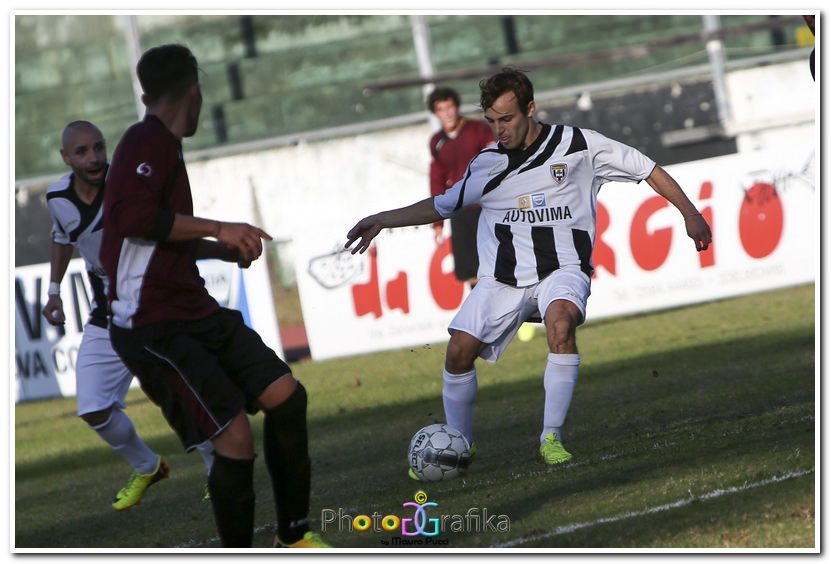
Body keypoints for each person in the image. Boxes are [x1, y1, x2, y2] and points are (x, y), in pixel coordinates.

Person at [346, 68, 712, 475]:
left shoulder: (579, 145)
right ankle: (458, 446)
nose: (498, 130)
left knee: (560, 326)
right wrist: (381, 219)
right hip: (503, 280)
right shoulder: (486, 164)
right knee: (458, 351)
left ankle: (550, 437)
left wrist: (690, 214)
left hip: (564, 269)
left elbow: (648, 169)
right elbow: (441, 204)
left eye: (507, 119)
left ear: (530, 109)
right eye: (491, 121)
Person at [100, 44, 329, 549]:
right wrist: (221, 227)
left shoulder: (160, 141)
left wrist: (216, 249)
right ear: (195, 90)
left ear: (146, 93)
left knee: (287, 398)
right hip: (154, 326)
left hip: (193, 310)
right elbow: (131, 219)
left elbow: (155, 236)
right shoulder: (146, 139)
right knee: (235, 441)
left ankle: (294, 538)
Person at [42, 120, 214, 511]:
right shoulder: (57, 196)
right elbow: (61, 235)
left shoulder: (129, 186)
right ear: (66, 158)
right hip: (108, 313)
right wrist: (53, 292)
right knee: (93, 408)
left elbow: (167, 226)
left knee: (180, 392)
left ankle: (218, 472)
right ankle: (148, 466)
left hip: (156, 304)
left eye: (99, 148)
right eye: (82, 151)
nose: (94, 157)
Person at [427, 87, 494, 289]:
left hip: (486, 207)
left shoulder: (478, 130)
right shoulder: (437, 142)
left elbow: (495, 160)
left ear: (456, 107)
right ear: (436, 113)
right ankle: (482, 317)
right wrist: (437, 222)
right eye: (441, 109)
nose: (446, 113)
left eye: (449, 107)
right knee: (472, 272)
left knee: (496, 265)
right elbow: (437, 181)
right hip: (460, 212)